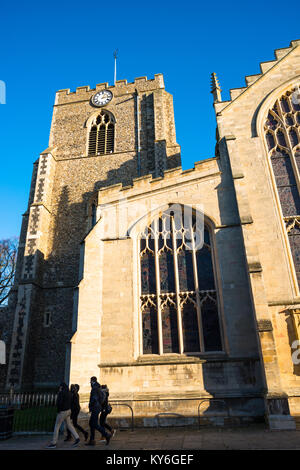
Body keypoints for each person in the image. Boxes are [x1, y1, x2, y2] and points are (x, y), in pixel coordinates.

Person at [46, 382, 80, 449]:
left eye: (60, 387)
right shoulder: (69, 393)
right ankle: (77, 438)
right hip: (68, 411)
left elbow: (59, 403)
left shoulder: (61, 393)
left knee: (57, 426)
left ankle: (54, 442)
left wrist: (59, 411)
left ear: (61, 387)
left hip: (62, 412)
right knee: (69, 425)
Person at [85, 376, 111, 446]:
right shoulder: (98, 387)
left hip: (95, 408)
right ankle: (92, 440)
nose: (90, 383)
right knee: (91, 423)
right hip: (97, 408)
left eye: (90, 382)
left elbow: (94, 399)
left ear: (92, 381)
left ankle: (106, 435)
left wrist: (91, 406)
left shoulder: (94, 388)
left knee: (94, 424)